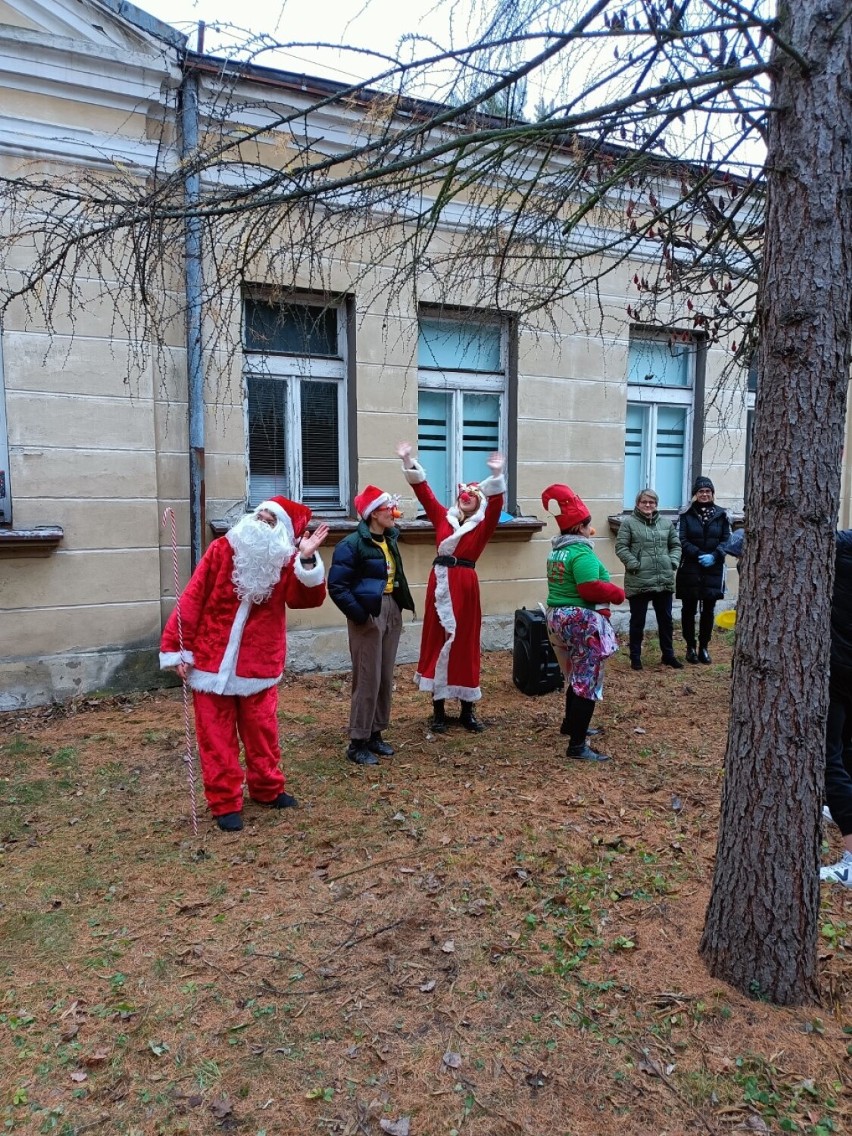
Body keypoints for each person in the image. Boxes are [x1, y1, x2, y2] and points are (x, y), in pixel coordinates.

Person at [159, 497, 329, 832]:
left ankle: (267, 789)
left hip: (258, 665)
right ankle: (224, 802)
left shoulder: (287, 562)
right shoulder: (222, 549)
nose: (259, 520)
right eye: (258, 514)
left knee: (262, 733)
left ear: (281, 532)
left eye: (269, 520)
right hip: (210, 661)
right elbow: (193, 596)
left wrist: (307, 559)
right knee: (215, 737)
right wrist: (178, 648)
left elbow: (304, 598)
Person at [397, 441, 506, 732]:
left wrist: (496, 477)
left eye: (472, 496)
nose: (465, 498)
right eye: (462, 495)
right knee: (437, 637)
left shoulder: (482, 526)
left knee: (465, 642)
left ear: (478, 502)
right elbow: (424, 493)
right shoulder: (442, 518)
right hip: (441, 584)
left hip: (466, 585)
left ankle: (468, 709)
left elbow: (496, 506)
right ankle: (438, 710)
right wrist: (408, 460)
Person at [328, 484, 415, 766]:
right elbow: (338, 586)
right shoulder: (351, 545)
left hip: (390, 608)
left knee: (385, 676)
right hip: (368, 614)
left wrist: (398, 605)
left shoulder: (389, 539)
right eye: (388, 509)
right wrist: (360, 615)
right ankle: (357, 741)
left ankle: (376, 732)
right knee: (368, 677)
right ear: (373, 514)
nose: (394, 513)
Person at [542, 483, 625, 762]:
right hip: (581, 620)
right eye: (588, 525)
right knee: (586, 679)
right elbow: (589, 588)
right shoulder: (581, 552)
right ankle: (577, 746)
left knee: (575, 675)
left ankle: (571, 725)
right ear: (580, 527)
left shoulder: (558, 551)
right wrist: (617, 594)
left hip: (558, 618)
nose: (592, 530)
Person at [615, 487, 683, 670]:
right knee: (638, 620)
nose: (647, 505)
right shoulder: (628, 523)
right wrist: (634, 564)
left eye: (651, 502)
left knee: (666, 620)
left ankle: (668, 655)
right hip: (639, 579)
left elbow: (675, 545)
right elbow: (621, 547)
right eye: (644, 502)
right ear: (637, 504)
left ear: (656, 504)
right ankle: (635, 658)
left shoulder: (666, 524)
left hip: (663, 578)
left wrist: (672, 562)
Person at [821, 529, 852, 888]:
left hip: (841, 668)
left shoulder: (844, 548)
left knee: (830, 757)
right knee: (846, 749)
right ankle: (841, 809)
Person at [675, 475, 730, 664]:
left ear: (712, 494)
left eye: (707, 491)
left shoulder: (722, 515)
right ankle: (690, 646)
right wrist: (698, 553)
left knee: (708, 610)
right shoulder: (686, 515)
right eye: (701, 491)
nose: (704, 494)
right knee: (688, 610)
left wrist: (715, 556)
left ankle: (704, 647)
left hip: (713, 569)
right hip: (690, 567)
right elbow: (681, 540)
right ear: (695, 495)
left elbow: (726, 540)